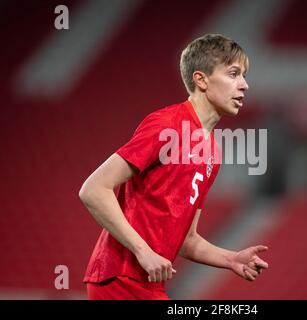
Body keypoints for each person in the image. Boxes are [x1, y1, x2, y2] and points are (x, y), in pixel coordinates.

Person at [79, 33, 269, 300]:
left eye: (243, 76)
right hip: (120, 278)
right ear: (201, 79)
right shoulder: (166, 125)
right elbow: (93, 189)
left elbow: (187, 239)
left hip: (150, 283)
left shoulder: (212, 151)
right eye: (234, 74)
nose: (245, 85)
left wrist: (231, 259)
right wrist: (143, 251)